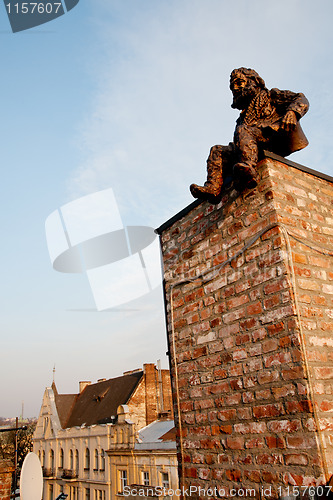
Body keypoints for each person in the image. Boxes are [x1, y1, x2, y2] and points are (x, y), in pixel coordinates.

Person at [190, 67, 309, 203]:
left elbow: (301, 98)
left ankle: (249, 169)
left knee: (243, 130)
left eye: (239, 82)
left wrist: (293, 112)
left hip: (274, 136)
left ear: (254, 82)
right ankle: (213, 188)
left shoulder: (271, 96)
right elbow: (243, 140)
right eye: (233, 86)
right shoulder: (243, 116)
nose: (235, 88)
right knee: (217, 151)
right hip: (253, 143)